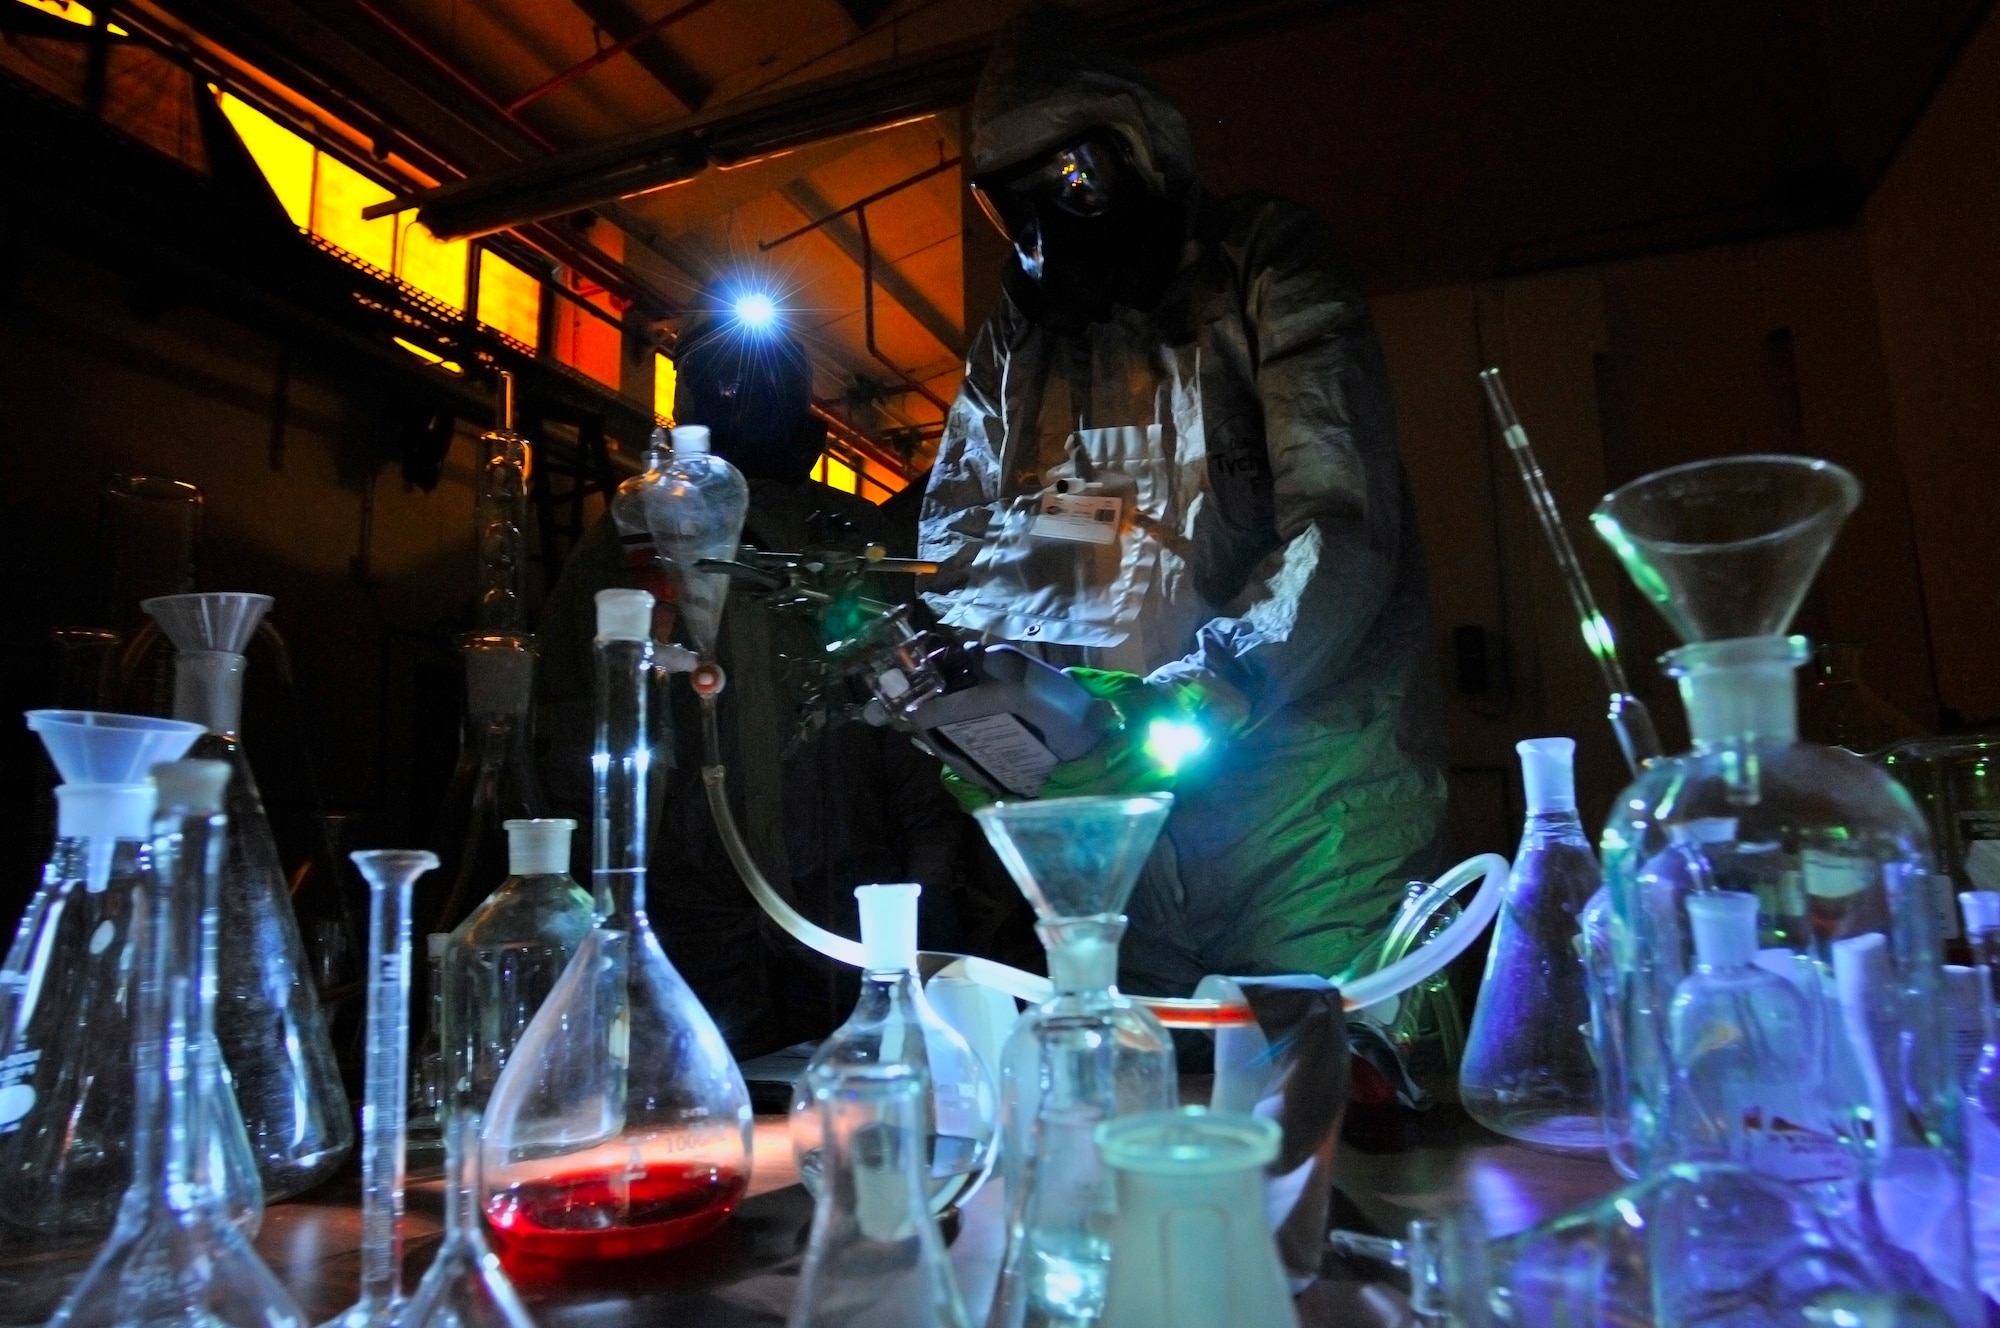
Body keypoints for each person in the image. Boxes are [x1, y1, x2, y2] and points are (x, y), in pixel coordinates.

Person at [920, 5, 1450, 994]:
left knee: (1331, 1102)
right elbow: (972, 557)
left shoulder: (1263, 261)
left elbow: (1340, 529)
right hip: (1117, 845)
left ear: (1139, 147)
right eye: (1012, 203)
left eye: (1073, 179)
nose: (1047, 229)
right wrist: (968, 703)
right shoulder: (1017, 345)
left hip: (1308, 821)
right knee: (1141, 1108)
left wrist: (1202, 689)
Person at [535, 289, 966, 1057]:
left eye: (765, 374)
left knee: (858, 1112)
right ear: (688, 398)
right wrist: (590, 910)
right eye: (724, 377)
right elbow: (575, 735)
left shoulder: (850, 536)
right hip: (692, 916)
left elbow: (919, 728)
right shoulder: (628, 542)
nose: (746, 394)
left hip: (847, 906)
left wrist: (930, 888)